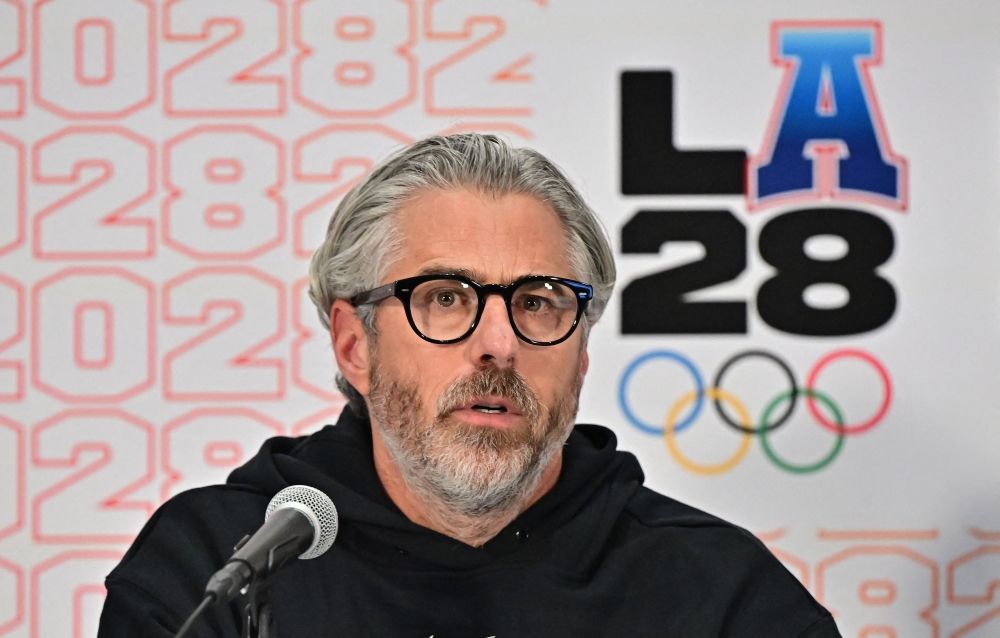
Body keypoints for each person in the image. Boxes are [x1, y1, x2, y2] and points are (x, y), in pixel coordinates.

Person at [98, 133, 841, 636]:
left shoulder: (719, 593)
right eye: (446, 298)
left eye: (538, 303)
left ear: (582, 351)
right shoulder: (220, 567)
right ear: (355, 344)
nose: (499, 345)